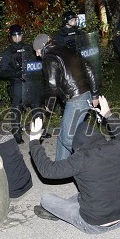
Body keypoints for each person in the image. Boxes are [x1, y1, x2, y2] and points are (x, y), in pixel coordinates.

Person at [29, 107, 120, 234]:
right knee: (84, 194)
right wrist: (108, 114)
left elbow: (47, 170)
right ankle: (66, 210)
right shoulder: (119, 147)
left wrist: (34, 141)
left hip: (94, 224)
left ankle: (62, 213)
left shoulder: (81, 158)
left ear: (78, 147)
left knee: (46, 199)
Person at [33, 33, 99, 161]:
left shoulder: (49, 57)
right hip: (84, 95)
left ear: (42, 47)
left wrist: (48, 108)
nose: (37, 55)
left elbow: (52, 86)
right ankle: (60, 167)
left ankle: (95, 161)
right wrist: (94, 94)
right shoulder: (68, 50)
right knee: (64, 134)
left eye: (37, 51)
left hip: (76, 99)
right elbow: (89, 69)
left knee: (67, 138)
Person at [0, 24, 47, 144]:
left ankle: (40, 131)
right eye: (14, 36)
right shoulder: (7, 53)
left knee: (37, 107)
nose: (17, 38)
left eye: (19, 35)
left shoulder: (29, 48)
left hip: (32, 83)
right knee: (17, 109)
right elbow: (2, 73)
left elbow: (38, 62)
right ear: (10, 37)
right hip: (17, 84)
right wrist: (15, 73)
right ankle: (16, 133)